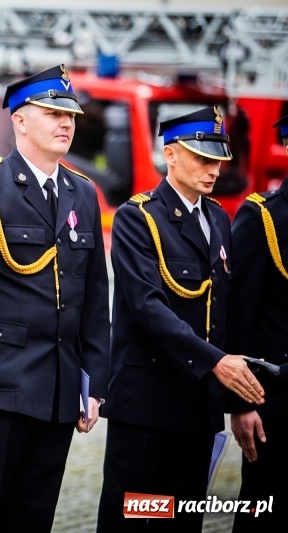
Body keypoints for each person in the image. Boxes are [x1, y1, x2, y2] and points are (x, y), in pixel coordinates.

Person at [0, 64, 110, 533]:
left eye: (71, 115)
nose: (66, 123)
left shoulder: (82, 192)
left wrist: (94, 382)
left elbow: (94, 297)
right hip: (0, 389)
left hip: (59, 392)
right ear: (19, 120)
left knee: (34, 517)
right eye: (52, 113)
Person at [97, 106, 266, 532]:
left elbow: (225, 312)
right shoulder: (139, 217)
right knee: (134, 518)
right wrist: (214, 361)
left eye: (218, 161)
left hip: (196, 408)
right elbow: (147, 306)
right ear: (170, 154)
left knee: (178, 520)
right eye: (203, 159)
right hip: (146, 404)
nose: (213, 171)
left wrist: (237, 401)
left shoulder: (218, 219)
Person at [227, 115, 288, 533]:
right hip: (277, 402)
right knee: (263, 509)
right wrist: (242, 404)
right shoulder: (263, 216)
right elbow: (239, 315)